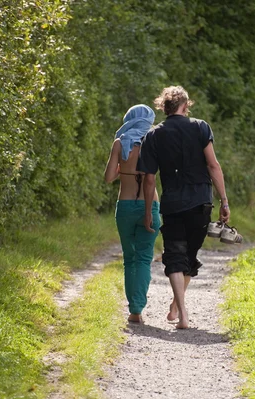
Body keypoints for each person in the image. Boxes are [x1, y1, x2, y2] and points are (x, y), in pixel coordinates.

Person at [139, 86, 230, 329]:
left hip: (173, 204)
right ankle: (180, 309)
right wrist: (224, 200)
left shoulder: (153, 135)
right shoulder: (200, 127)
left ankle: (180, 309)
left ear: (164, 107)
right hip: (201, 201)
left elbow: (149, 179)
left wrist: (148, 210)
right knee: (188, 256)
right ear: (185, 106)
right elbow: (213, 166)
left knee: (175, 256)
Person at [104, 104, 161, 324]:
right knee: (144, 258)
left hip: (126, 206)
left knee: (129, 258)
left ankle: (134, 310)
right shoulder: (154, 141)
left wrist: (122, 167)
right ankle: (138, 307)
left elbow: (109, 177)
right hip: (151, 205)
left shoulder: (119, 143)